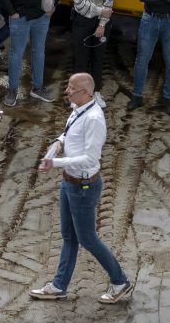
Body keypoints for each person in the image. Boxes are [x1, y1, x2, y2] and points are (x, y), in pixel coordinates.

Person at [30, 73, 132, 305]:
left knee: (87, 238)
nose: (67, 91)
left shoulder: (95, 119)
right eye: (68, 86)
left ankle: (120, 281)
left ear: (85, 92)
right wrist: (59, 142)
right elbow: (69, 133)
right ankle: (59, 285)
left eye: (71, 88)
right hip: (70, 182)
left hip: (83, 187)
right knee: (69, 236)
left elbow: (89, 158)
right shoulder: (79, 108)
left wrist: (54, 162)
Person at [71, 0, 117, 87]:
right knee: (81, 59)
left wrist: (102, 24)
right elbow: (79, 3)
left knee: (98, 58)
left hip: (102, 24)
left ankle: (96, 91)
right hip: (82, 21)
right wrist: (100, 11)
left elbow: (109, 1)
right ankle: (78, 92)